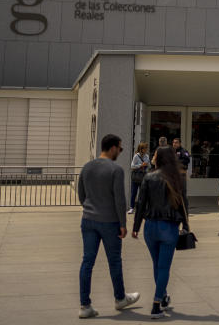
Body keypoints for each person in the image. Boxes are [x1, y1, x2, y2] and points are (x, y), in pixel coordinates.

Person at [76, 134, 140, 318]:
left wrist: (90, 208)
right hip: (110, 221)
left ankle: (85, 305)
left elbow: (82, 195)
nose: (120, 152)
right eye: (119, 149)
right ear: (112, 148)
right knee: (114, 261)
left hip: (88, 219)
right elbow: (120, 199)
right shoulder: (116, 170)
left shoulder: (87, 167)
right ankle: (120, 298)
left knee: (87, 262)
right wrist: (123, 223)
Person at [132, 146, 186, 320]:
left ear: (159, 158)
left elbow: (140, 203)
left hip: (150, 226)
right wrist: (186, 225)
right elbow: (184, 203)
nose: (153, 156)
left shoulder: (149, 177)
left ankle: (162, 296)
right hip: (169, 227)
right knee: (164, 267)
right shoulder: (177, 178)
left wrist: (136, 226)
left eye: (155, 154)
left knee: (156, 264)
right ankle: (157, 303)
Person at [129, 142, 150, 214]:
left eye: (146, 148)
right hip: (136, 177)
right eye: (145, 148)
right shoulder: (136, 156)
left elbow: (149, 166)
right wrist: (141, 165)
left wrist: (147, 166)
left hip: (143, 177)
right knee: (133, 193)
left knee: (142, 193)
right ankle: (131, 208)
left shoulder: (147, 156)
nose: (146, 149)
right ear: (141, 149)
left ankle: (142, 208)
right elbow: (132, 166)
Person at [171, 137, 191, 212]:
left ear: (180, 143)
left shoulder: (183, 151)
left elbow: (187, 160)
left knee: (182, 193)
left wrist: (177, 162)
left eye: (176, 142)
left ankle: (185, 209)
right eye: (173, 142)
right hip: (172, 175)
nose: (174, 144)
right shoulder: (171, 151)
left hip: (181, 175)